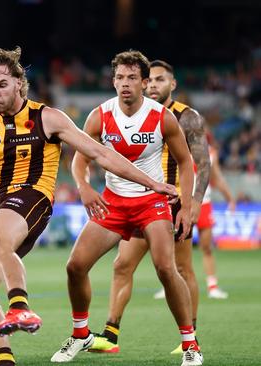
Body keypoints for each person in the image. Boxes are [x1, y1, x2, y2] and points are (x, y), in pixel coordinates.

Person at [0, 47, 177, 366]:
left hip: (34, 197)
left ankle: (19, 306)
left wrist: (151, 182)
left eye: (1, 84)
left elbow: (102, 155)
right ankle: (4, 358)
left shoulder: (47, 117)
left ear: (18, 82)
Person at [50, 51, 202, 366]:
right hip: (114, 202)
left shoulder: (162, 117)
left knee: (165, 268)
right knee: (75, 266)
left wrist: (186, 206)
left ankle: (190, 344)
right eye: (119, 77)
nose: (125, 84)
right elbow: (80, 157)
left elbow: (187, 162)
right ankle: (81, 334)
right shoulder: (99, 115)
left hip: (152, 203)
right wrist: (84, 186)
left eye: (132, 78)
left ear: (144, 83)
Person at [88, 60, 210, 355]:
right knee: (122, 265)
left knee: (178, 268)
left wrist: (192, 204)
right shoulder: (132, 113)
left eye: (160, 80)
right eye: (151, 80)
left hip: (173, 204)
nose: (154, 85)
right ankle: (110, 334)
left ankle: (190, 336)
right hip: (140, 201)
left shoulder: (185, 117)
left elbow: (202, 163)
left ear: (173, 84)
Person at [197, 137, 236, 299]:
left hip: (203, 203)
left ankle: (212, 286)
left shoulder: (210, 152)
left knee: (206, 247)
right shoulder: (174, 142)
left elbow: (216, 177)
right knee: (172, 249)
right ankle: (169, 286)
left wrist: (230, 198)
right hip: (181, 202)